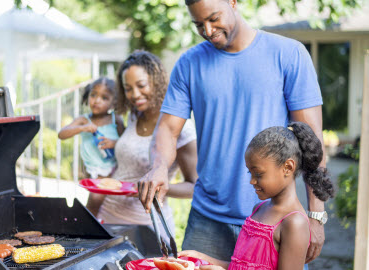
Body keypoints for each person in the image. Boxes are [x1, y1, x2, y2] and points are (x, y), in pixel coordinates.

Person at [138, 0, 328, 264]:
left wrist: (316, 216)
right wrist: (159, 166)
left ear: (233, 2)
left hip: (275, 220)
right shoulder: (189, 64)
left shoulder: (288, 54)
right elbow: (168, 129)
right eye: (198, 24)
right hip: (208, 220)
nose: (207, 30)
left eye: (214, 18)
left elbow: (312, 140)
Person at [180, 122, 334, 270]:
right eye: (250, 172)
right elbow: (239, 266)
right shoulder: (259, 209)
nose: (252, 181)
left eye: (258, 174)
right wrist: (199, 258)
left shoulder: (294, 223)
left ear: (288, 167)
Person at [87, 51, 198, 238]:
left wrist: (157, 187)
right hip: (108, 217)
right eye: (128, 88)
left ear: (157, 81)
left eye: (141, 85)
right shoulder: (133, 116)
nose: (134, 94)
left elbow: (195, 187)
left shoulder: (181, 127)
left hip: (148, 226)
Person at [58, 77, 124, 179]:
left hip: (114, 170)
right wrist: (82, 128)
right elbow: (62, 134)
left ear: (113, 103)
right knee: (95, 195)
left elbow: (126, 142)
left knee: (107, 194)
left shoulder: (116, 120)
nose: (97, 100)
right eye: (93, 95)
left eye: (104, 98)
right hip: (92, 172)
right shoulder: (83, 120)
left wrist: (114, 143)